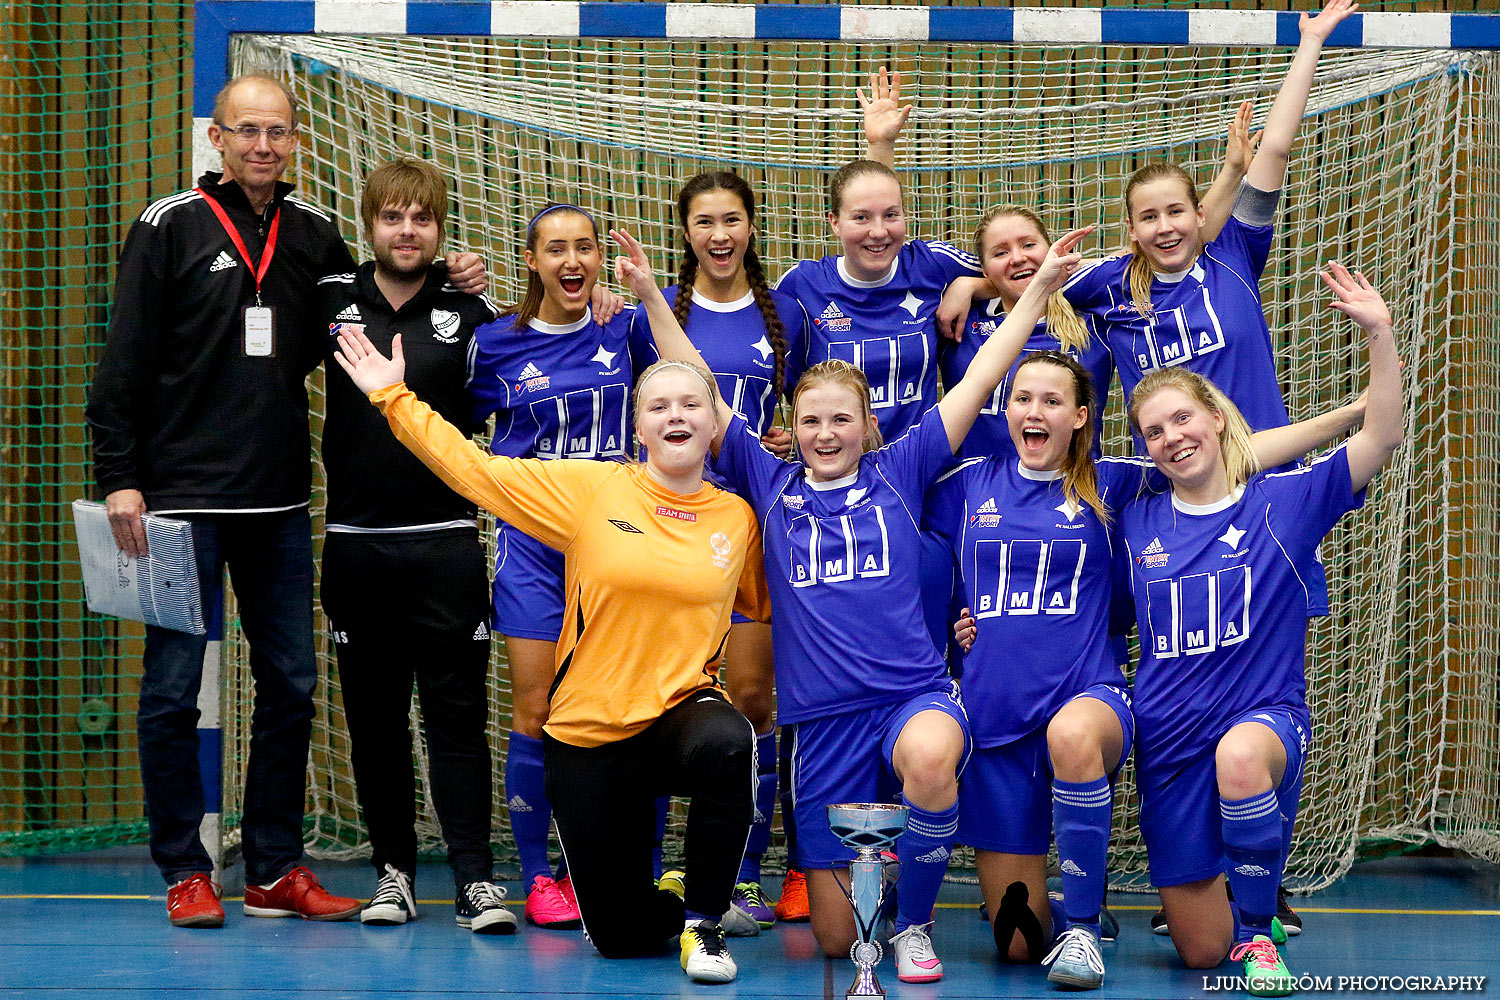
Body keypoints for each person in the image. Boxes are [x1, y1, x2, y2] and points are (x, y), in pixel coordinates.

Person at [614, 220, 1090, 984]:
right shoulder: (770, 487)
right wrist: (649, 296)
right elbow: (696, 377)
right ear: (789, 432)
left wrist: (1035, 292)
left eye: (842, 419)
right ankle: (882, 889)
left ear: (869, 426)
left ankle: (917, 926)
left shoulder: (902, 470)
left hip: (911, 698)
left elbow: (978, 378)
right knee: (838, 943)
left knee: (933, 758)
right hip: (823, 724)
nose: (827, 432)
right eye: (811, 421)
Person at [85, 74, 480, 928]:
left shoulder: (313, 238)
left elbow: (383, 303)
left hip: (277, 505)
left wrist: (457, 278)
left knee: (292, 686)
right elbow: (120, 364)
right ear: (217, 139)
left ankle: (270, 867)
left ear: (296, 141)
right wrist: (121, 475)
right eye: (247, 130)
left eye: (277, 131)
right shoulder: (167, 226)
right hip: (178, 502)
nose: (263, 145)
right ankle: (187, 870)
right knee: (171, 689)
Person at [334, 328, 771, 985]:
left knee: (731, 743)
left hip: (679, 715)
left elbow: (775, 603)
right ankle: (672, 899)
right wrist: (392, 397)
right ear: (638, 428)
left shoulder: (737, 519)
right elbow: (475, 470)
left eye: (690, 405)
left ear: (716, 426)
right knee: (622, 939)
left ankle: (704, 923)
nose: (675, 415)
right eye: (658, 406)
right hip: (589, 733)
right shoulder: (590, 493)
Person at [939, 348, 1369, 989]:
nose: (1035, 411)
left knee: (1076, 736)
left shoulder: (1117, 483)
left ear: (1081, 417)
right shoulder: (969, 481)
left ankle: (1089, 928)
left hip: (1085, 698)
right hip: (998, 718)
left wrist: (1349, 415)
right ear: (1004, 409)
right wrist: (960, 623)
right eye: (1023, 399)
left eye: (1053, 400)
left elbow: (1230, 450)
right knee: (1020, 944)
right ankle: (1080, 913)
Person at [1121, 262, 1401, 997]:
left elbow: (1381, 436)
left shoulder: (1284, 502)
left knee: (1241, 758)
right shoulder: (1137, 517)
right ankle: (1231, 927)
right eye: (1154, 431)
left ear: (1216, 417)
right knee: (1197, 954)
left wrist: (1380, 335)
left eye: (1183, 418)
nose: (1172, 437)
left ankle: (1259, 934)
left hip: (1261, 720)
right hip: (1169, 744)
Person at [317, 157, 515, 933]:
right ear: (370, 225)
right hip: (357, 546)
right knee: (373, 719)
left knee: (457, 716)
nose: (407, 231)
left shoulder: (470, 310)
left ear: (439, 230)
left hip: (445, 546)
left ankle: (473, 879)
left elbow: (541, 359)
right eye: (393, 217)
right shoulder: (331, 297)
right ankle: (392, 873)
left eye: (422, 219)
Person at [627, 170, 808, 930]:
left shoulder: (789, 315)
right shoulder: (652, 315)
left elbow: (815, 402)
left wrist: (796, 434)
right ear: (687, 232)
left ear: (751, 227)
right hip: (672, 527)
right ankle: (671, 864)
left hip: (756, 525)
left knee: (754, 702)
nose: (719, 235)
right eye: (704, 222)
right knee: (665, 694)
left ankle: (744, 872)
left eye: (732, 219)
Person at [468, 203, 634, 929]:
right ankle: (540, 877)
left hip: (621, 543)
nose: (572, 260)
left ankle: (620, 870)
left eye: (584, 248)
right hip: (534, 548)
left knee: (629, 712)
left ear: (600, 259)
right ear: (532, 262)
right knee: (537, 709)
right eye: (555, 249)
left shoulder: (626, 328)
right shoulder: (494, 344)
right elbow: (453, 422)